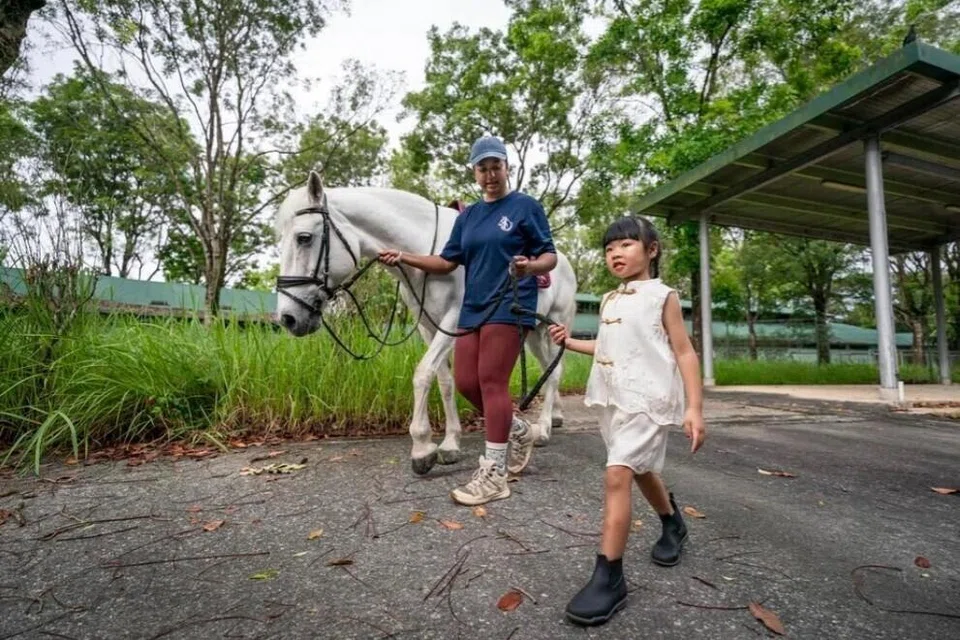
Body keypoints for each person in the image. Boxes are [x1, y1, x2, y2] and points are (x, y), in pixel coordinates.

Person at [378, 135, 558, 506]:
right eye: (483, 168)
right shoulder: (469, 216)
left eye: (496, 166)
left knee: (492, 381)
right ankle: (517, 427)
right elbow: (447, 262)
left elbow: (549, 257)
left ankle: (494, 473)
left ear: (507, 168)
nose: (490, 174)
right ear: (474, 173)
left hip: (510, 303)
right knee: (465, 383)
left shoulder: (525, 207)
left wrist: (530, 267)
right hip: (473, 307)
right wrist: (405, 257)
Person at [547, 215, 706, 626]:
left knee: (617, 473)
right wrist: (570, 342)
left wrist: (694, 408)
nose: (615, 253)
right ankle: (673, 522)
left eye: (626, 244)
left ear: (651, 250)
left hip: (648, 399)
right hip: (613, 398)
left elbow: (685, 352)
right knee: (640, 469)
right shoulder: (609, 300)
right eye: (609, 248)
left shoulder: (663, 296)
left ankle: (609, 576)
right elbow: (608, 343)